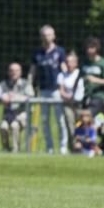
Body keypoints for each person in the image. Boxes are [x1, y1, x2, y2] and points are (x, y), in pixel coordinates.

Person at [30, 25, 69, 154]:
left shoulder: (60, 51)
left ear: (54, 36)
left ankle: (63, 146)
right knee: (45, 120)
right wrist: (30, 86)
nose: (47, 37)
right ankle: (49, 147)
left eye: (49, 34)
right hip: (43, 90)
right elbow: (32, 71)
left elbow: (64, 69)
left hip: (56, 90)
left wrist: (65, 86)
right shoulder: (37, 53)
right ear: (41, 36)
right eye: (44, 35)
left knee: (60, 120)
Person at [0, 62, 34, 152]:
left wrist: (14, 97)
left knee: (15, 126)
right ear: (8, 72)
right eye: (11, 70)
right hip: (8, 115)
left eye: (16, 70)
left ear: (21, 72)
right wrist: (2, 96)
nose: (14, 72)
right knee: (3, 127)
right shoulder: (4, 83)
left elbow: (30, 96)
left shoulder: (25, 84)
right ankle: (6, 149)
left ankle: (15, 150)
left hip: (21, 115)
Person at [81, 36, 104, 115]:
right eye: (87, 48)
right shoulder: (84, 63)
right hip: (84, 96)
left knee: (87, 115)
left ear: (97, 48)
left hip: (98, 97)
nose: (89, 50)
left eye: (92, 48)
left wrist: (96, 80)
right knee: (81, 119)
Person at [58, 50, 84, 149]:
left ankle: (81, 145)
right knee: (70, 124)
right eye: (67, 62)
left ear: (76, 63)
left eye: (71, 62)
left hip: (80, 104)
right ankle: (73, 146)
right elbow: (61, 90)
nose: (69, 64)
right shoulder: (62, 75)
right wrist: (66, 96)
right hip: (68, 104)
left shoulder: (81, 74)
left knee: (80, 125)